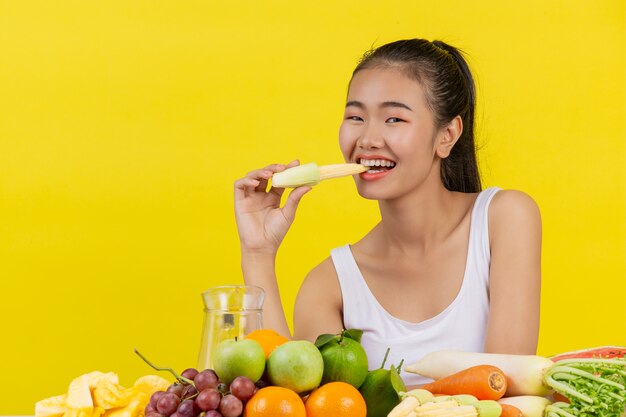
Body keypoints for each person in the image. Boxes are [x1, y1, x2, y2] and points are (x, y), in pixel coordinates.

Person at [233, 39, 541, 386]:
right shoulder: (328, 286)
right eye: (355, 117)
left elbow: (505, 388)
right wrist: (258, 254)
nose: (368, 138)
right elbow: (294, 400)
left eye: (394, 118)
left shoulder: (505, 219)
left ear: (447, 135)